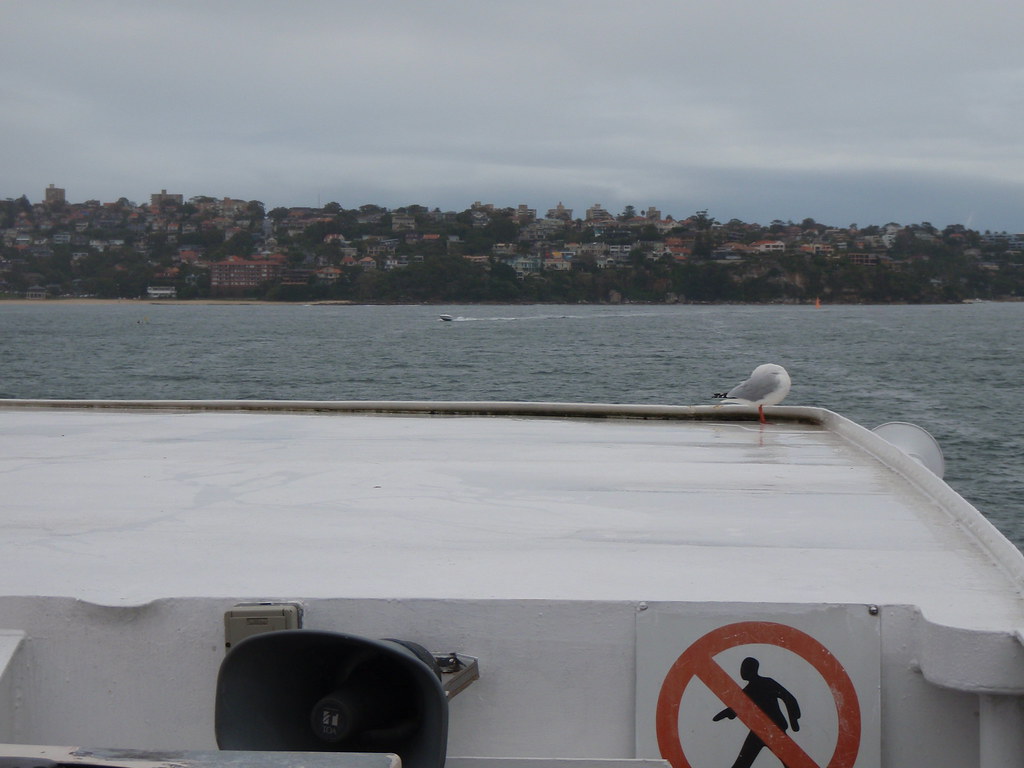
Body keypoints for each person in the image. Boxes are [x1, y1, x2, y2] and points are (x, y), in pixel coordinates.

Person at [712, 657, 801, 768]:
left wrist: (794, 720)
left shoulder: (764, 684)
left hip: (775, 730)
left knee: (744, 761)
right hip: (760, 730)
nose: (741, 671)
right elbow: (735, 708)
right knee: (744, 760)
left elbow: (788, 698)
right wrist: (722, 715)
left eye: (744, 668)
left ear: (751, 670)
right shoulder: (751, 689)